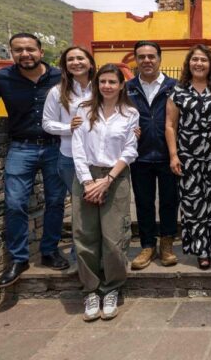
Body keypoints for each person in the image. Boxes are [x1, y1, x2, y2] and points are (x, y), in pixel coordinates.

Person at [0, 33, 69, 287]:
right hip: (21, 148)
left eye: (30, 49)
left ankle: (49, 250)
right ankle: (19, 259)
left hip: (56, 147)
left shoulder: (61, 77)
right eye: (18, 50)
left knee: (56, 201)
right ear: (11, 53)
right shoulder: (0, 78)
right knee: (14, 203)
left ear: (40, 52)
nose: (25, 54)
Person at [71, 64, 138, 321]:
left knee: (113, 236)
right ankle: (90, 290)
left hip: (116, 176)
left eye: (112, 82)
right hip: (85, 175)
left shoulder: (130, 113)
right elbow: (77, 146)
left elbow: (130, 149)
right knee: (84, 234)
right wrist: (88, 182)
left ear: (121, 85)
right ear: (97, 84)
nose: (107, 86)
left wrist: (108, 180)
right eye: (103, 82)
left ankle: (111, 288)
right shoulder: (84, 110)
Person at [166, 45, 211, 269]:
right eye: (195, 59)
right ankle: (201, 249)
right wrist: (173, 155)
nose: (199, 64)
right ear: (188, 64)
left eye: (203, 60)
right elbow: (170, 125)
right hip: (188, 156)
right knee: (193, 203)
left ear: (210, 64)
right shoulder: (178, 92)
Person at [126, 41, 179, 270]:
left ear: (159, 58)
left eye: (151, 56)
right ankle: (147, 245)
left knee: (170, 201)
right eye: (141, 57)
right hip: (140, 155)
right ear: (136, 60)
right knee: (143, 202)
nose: (146, 60)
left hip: (169, 155)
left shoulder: (174, 86)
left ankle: (167, 244)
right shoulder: (127, 88)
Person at [42, 45, 96, 270]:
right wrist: (68, 127)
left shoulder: (101, 86)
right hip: (70, 157)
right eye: (70, 59)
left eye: (80, 58)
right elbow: (47, 123)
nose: (76, 62)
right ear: (65, 65)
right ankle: (72, 254)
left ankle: (90, 252)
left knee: (91, 206)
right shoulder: (57, 92)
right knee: (73, 205)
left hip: (98, 157)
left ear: (90, 62)